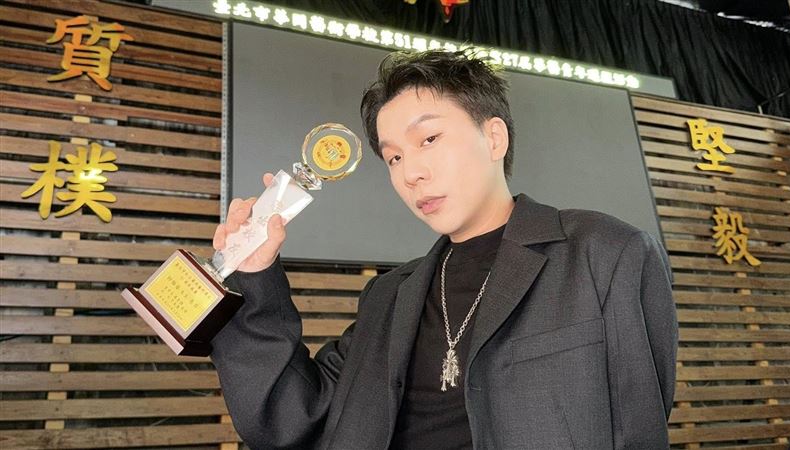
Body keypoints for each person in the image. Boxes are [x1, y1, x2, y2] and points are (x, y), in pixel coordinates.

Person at [209, 49, 678, 449]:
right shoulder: (388, 297)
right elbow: (291, 419)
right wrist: (257, 274)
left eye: (429, 139)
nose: (411, 172)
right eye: (394, 157)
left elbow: (637, 429)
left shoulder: (603, 253)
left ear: (494, 138)